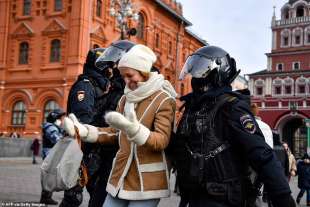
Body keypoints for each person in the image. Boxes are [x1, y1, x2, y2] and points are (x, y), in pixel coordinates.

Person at [172, 45, 295, 207]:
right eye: (194, 70)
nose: (196, 77)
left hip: (225, 197)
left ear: (218, 72)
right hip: (194, 195)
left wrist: (283, 197)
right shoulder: (193, 107)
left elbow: (262, 154)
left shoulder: (231, 107)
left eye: (201, 70)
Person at [63, 44, 177, 207]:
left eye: (130, 76)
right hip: (120, 174)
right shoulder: (125, 98)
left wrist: (135, 130)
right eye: (123, 76)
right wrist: (86, 131)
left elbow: (162, 140)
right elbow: (115, 134)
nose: (126, 81)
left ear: (143, 72)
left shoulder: (164, 99)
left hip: (146, 180)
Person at [63, 40, 135, 207]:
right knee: (74, 196)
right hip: (85, 149)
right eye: (107, 65)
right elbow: (83, 119)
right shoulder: (86, 86)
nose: (110, 69)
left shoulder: (103, 86)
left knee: (96, 193)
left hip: (97, 147)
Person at [40, 108, 66, 205]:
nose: (62, 120)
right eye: (61, 118)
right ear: (55, 118)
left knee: (50, 176)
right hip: (49, 154)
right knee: (49, 176)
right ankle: (45, 197)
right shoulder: (50, 127)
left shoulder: (55, 126)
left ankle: (46, 196)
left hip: (52, 154)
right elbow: (57, 139)